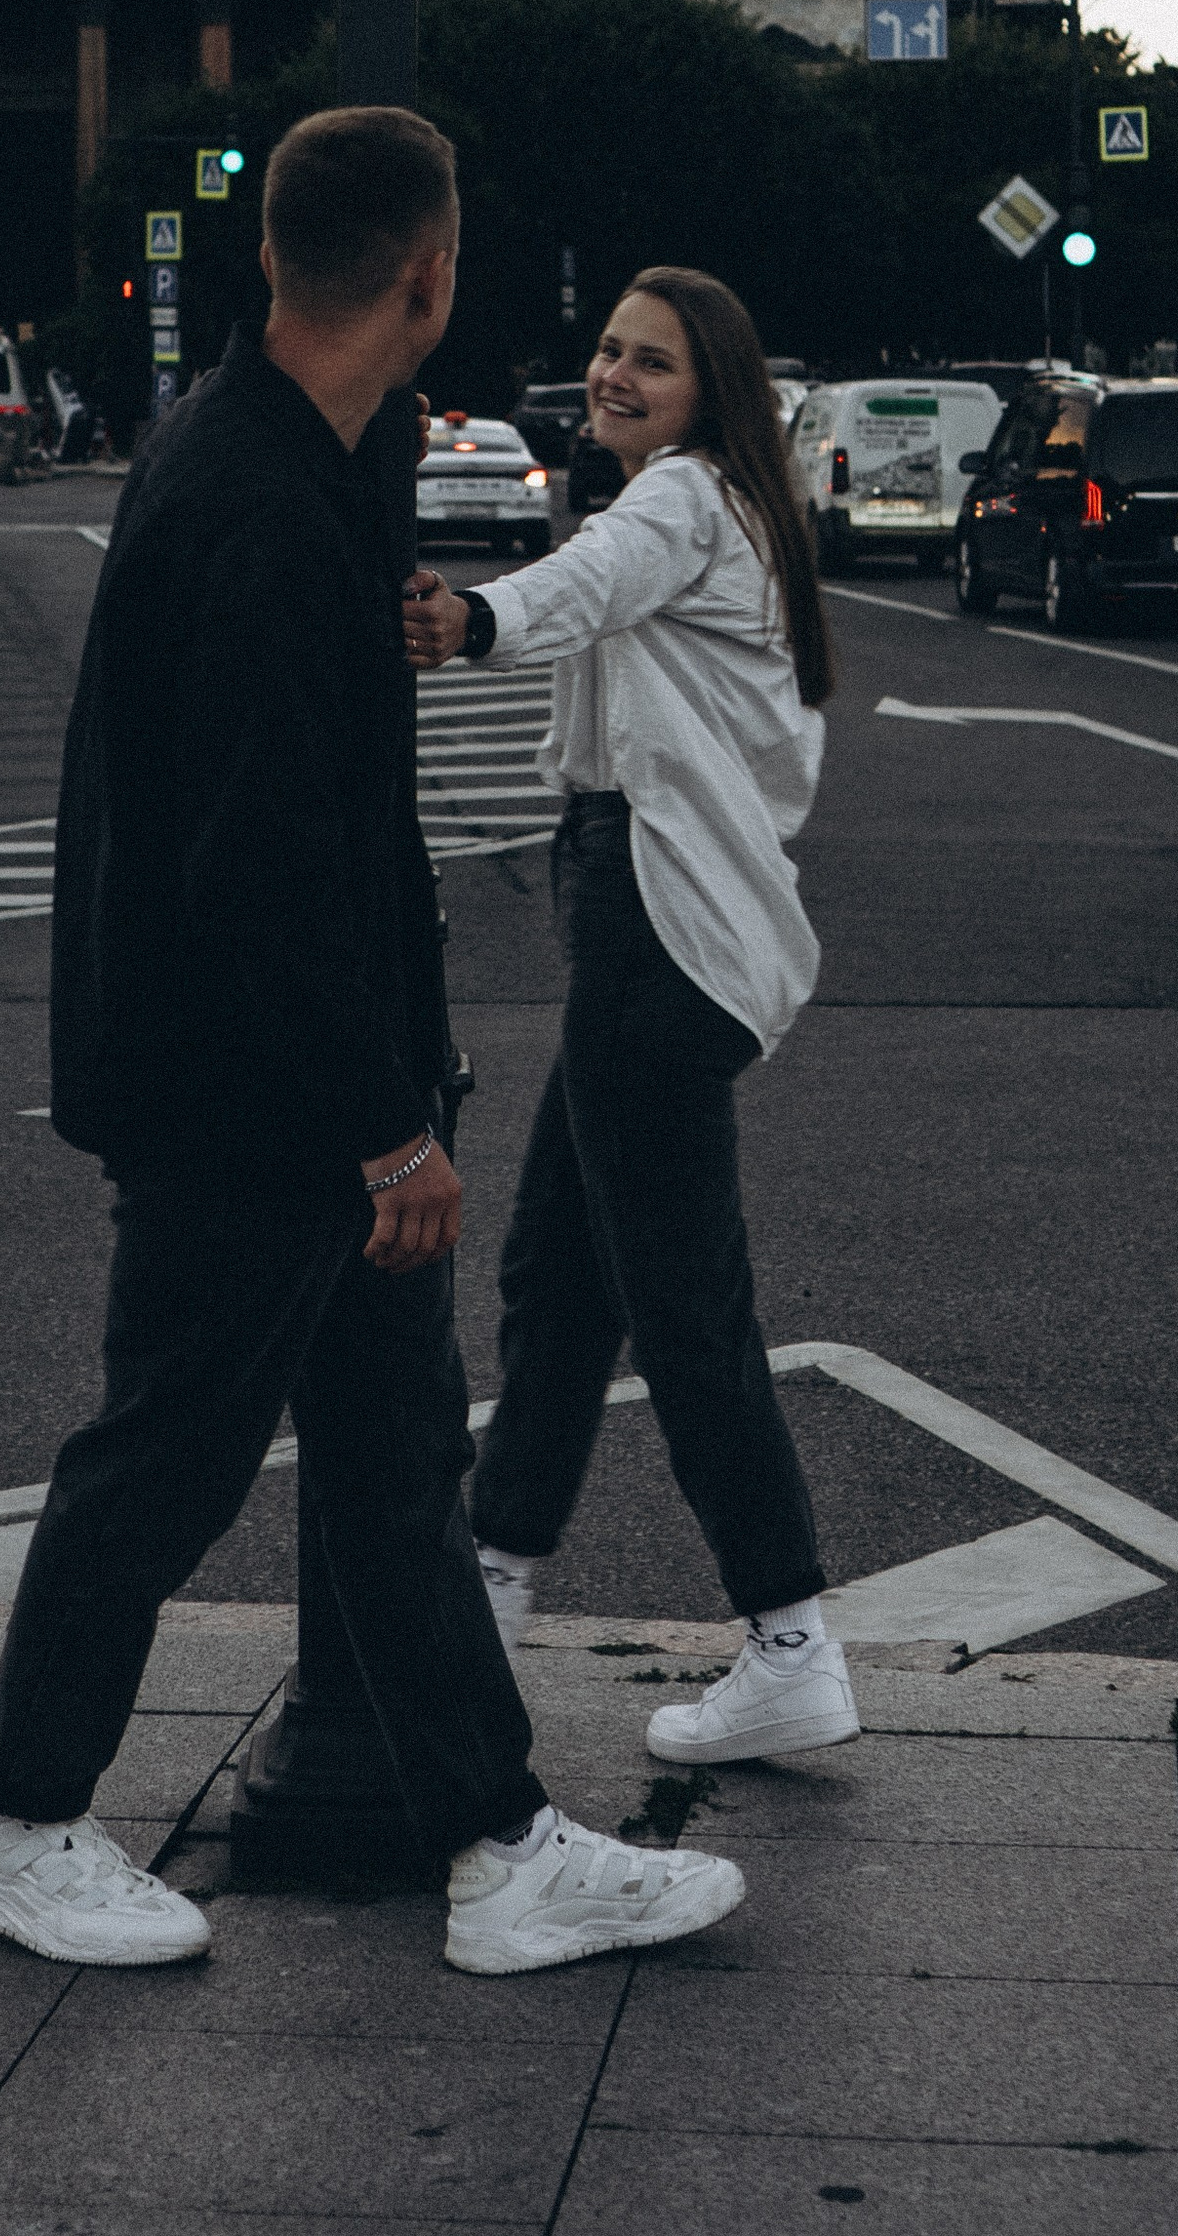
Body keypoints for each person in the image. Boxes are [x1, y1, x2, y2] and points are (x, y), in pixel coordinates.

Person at [0, 113, 746, 1978]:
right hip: (252, 1100)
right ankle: (21, 1816)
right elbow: (263, 870)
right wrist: (389, 1128)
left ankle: (496, 1839)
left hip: (276, 1077)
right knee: (160, 1457)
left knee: (394, 1472)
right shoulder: (262, 505)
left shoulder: (274, 453)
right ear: (428, 277)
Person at [404, 265, 856, 1768]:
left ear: (706, 389)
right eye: (606, 348)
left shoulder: (679, 500)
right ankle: (496, 1571)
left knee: (680, 1297)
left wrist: (467, 622)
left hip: (655, 921)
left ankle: (789, 1637)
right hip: (642, 912)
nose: (614, 375)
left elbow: (574, 592)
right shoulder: (722, 506)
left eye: (649, 362)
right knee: (561, 1270)